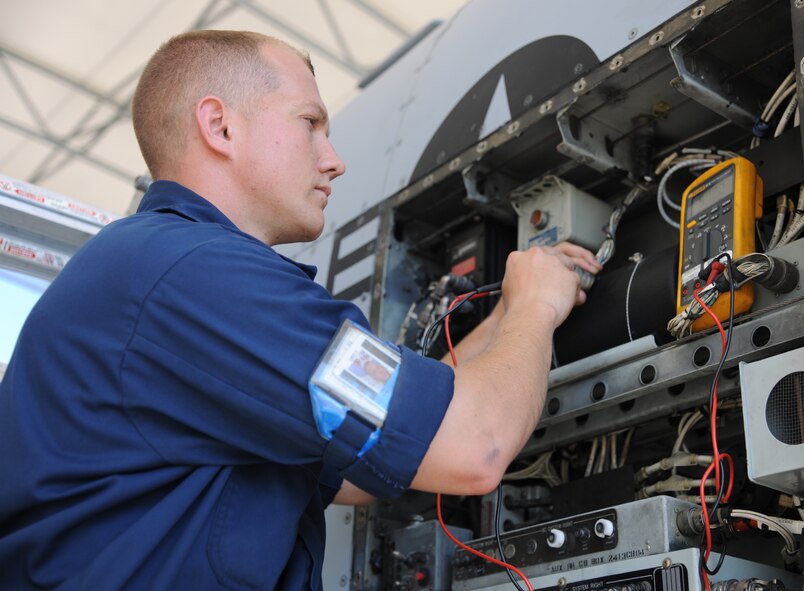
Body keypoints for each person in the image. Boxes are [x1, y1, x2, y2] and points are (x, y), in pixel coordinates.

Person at [0, 30, 600, 589]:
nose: (334, 159)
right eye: (309, 122)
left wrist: (500, 324)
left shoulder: (154, 269)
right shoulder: (201, 275)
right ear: (219, 126)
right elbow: (475, 449)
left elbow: (362, 475)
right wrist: (535, 308)